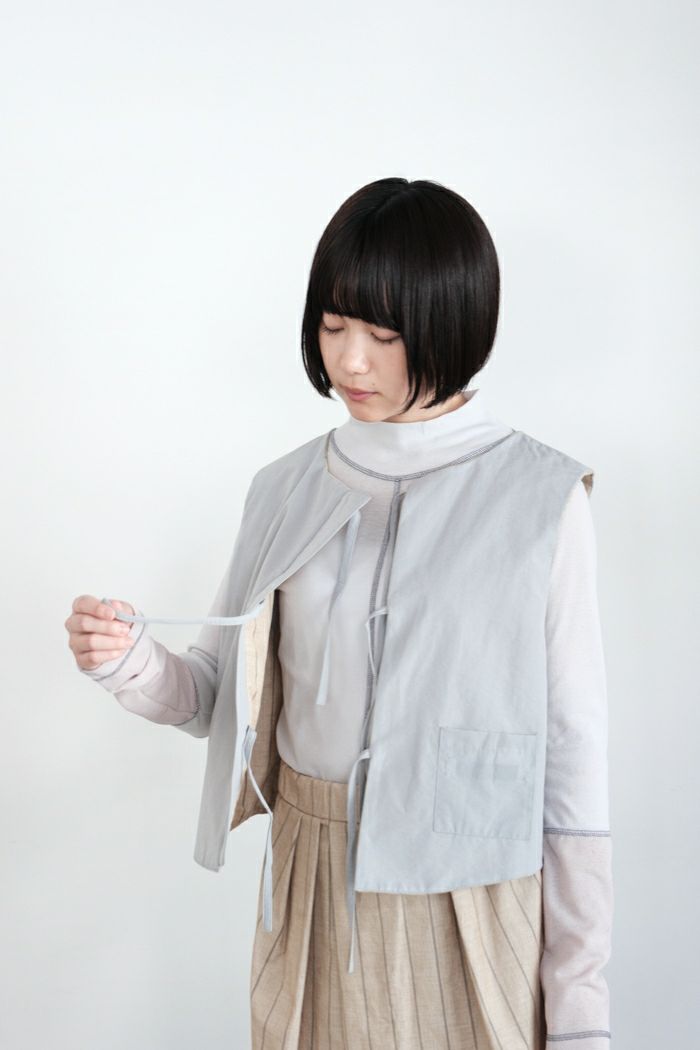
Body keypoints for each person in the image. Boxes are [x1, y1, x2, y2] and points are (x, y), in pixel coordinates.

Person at [66, 177, 613, 1050]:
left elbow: (574, 764)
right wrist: (126, 661)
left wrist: (580, 1012)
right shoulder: (286, 487)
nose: (350, 362)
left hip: (471, 893)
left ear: (456, 323)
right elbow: (218, 697)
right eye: (332, 326)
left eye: (384, 336)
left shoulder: (540, 499)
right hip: (312, 880)